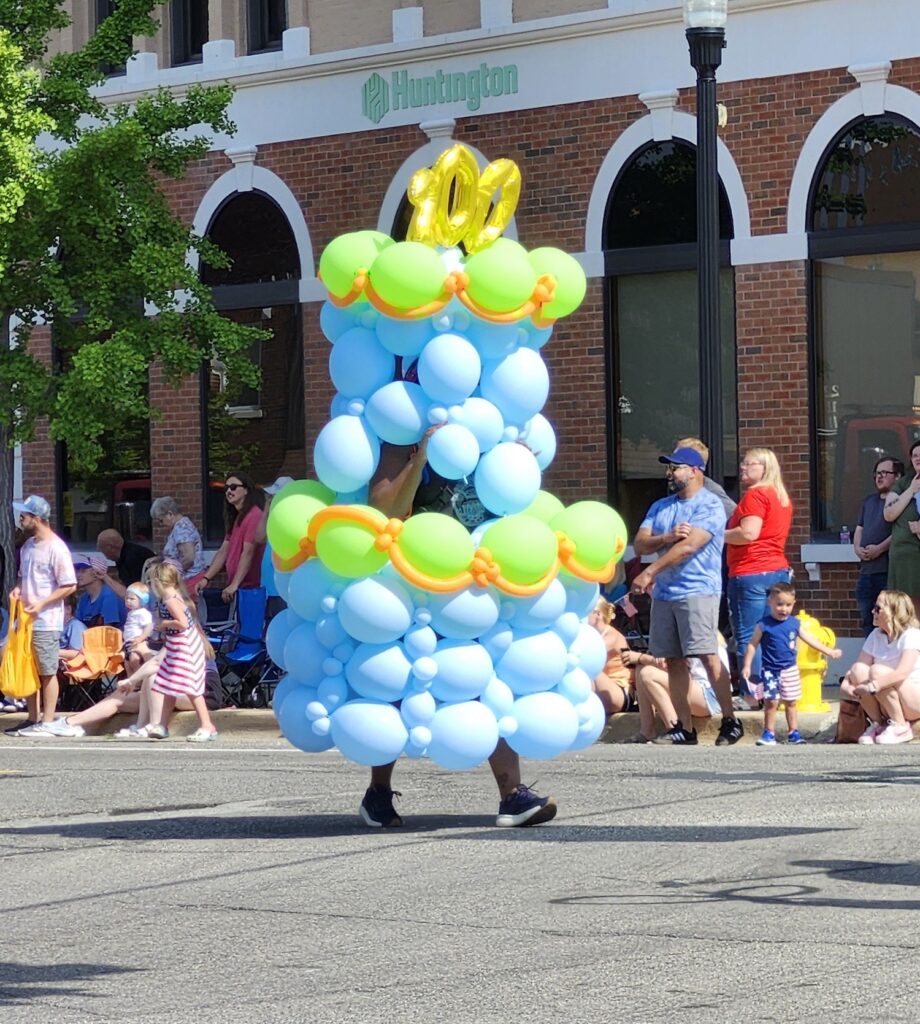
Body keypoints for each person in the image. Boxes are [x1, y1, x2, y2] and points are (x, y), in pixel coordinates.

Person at [360, 426, 557, 829]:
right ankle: (378, 792)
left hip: (478, 585)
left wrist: (514, 465)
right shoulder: (403, 440)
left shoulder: (490, 434)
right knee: (399, 685)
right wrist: (423, 457)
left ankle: (512, 796)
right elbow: (386, 512)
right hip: (419, 588)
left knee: (488, 679)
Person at [630, 446, 743, 746]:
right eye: (668, 467)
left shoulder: (710, 506)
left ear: (694, 471)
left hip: (699, 591)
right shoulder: (660, 507)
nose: (669, 473)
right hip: (666, 595)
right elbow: (640, 543)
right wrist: (665, 537)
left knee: (707, 655)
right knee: (674, 659)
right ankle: (684, 727)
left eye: (675, 467)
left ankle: (730, 721)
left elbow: (689, 547)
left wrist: (649, 572)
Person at [723, 448, 793, 702]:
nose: (742, 467)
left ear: (764, 468)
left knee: (749, 637)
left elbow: (748, 533)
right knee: (774, 634)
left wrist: (715, 534)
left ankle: (752, 694)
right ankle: (776, 691)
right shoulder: (780, 496)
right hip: (777, 571)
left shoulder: (755, 495)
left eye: (748, 464)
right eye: (742, 463)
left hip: (749, 571)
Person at [5, 495, 77, 737]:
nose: (21, 518)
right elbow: (23, 577)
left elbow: (69, 585)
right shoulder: (28, 547)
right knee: (29, 668)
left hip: (46, 620)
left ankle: (48, 720)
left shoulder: (56, 548)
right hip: (25, 620)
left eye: (24, 515)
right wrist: (18, 588)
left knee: (47, 671)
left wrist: (42, 603)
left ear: (37, 518)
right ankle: (33, 717)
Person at [741, 582, 841, 746]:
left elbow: (810, 640)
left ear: (794, 604)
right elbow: (752, 644)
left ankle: (793, 732)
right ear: (770, 602)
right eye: (779, 604)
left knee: (791, 701)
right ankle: (768, 733)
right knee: (771, 702)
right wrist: (747, 665)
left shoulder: (795, 623)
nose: (783, 609)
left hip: (790, 669)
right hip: (770, 671)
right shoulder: (763, 625)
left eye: (788, 605)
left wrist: (829, 651)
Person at [52, 649, 223, 738]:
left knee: (153, 677)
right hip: (171, 688)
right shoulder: (164, 637)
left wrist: (131, 680)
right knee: (119, 698)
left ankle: (149, 725)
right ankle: (68, 724)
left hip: (202, 691)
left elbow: (156, 663)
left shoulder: (185, 637)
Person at [144, 561, 218, 742]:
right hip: (177, 645)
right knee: (169, 685)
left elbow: (183, 623)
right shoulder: (175, 597)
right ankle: (162, 725)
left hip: (184, 646)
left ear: (159, 582)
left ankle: (207, 725)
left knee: (191, 687)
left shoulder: (170, 601)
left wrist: (165, 624)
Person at [840, 589, 920, 745]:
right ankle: (878, 724)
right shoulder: (876, 635)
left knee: (877, 671)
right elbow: (859, 666)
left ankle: (900, 725)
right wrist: (846, 685)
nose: (872, 611)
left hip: (913, 700)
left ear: (894, 612)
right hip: (887, 700)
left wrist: (872, 686)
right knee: (859, 670)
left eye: (878, 608)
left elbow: (902, 673)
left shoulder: (912, 635)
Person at [624, 636, 729, 744]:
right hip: (696, 690)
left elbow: (678, 669)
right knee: (641, 669)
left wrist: (641, 657)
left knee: (648, 674)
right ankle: (647, 731)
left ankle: (675, 727)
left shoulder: (697, 638)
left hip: (710, 695)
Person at [195, 471, 265, 603]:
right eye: (226, 488)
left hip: (250, 589)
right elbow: (224, 550)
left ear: (246, 490)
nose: (229, 491)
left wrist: (235, 584)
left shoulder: (254, 515)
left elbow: (248, 553)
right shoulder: (236, 517)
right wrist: (206, 578)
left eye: (233, 487)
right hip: (238, 589)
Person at [854, 456, 903, 635]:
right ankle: (869, 660)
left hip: (887, 572)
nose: (879, 477)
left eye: (885, 473)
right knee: (868, 620)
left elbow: (899, 532)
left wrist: (880, 548)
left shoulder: (899, 502)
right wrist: (857, 548)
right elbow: (859, 528)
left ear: (897, 476)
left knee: (889, 620)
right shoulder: (869, 501)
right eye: (877, 473)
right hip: (866, 573)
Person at [883, 440, 920, 612]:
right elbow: (889, 514)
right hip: (903, 560)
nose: (918, 458)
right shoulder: (904, 483)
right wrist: (911, 490)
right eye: (914, 455)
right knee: (903, 611)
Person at [587, 598, 639, 715]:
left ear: (598, 614)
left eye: (586, 612)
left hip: (621, 692)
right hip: (603, 691)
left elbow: (588, 654)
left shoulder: (612, 636)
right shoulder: (591, 636)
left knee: (588, 666)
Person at [254, 476, 294, 619]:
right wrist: (266, 511)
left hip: (281, 589)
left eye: (275, 496)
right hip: (268, 587)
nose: (271, 499)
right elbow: (259, 537)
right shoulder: (273, 517)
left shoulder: (292, 519)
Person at [150, 496, 207, 589]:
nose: (161, 524)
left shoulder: (181, 528)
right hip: (189, 580)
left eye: (161, 520)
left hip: (190, 581)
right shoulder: (181, 525)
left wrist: (169, 575)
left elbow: (189, 558)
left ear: (170, 514)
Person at [96, 529, 156, 600]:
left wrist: (105, 577)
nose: (99, 550)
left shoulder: (133, 557)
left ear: (110, 548)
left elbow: (136, 593)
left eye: (101, 548)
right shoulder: (122, 555)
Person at [73, 555, 127, 628]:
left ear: (97, 574)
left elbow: (107, 630)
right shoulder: (84, 598)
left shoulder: (109, 596)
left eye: (83, 571)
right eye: (77, 570)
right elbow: (77, 625)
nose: (78, 575)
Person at [123, 582, 154, 674]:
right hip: (128, 642)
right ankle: (134, 685)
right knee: (127, 665)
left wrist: (141, 638)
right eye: (126, 598)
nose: (128, 601)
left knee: (135, 660)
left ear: (143, 600)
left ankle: (140, 680)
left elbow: (149, 626)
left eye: (132, 599)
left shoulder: (143, 613)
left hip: (137, 641)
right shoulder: (130, 613)